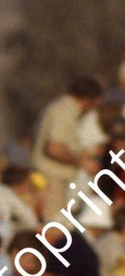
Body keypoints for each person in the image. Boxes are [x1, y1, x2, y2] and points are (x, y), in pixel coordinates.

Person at [31, 76, 103, 221]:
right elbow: (54, 148)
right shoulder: (65, 110)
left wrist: (87, 154)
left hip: (55, 179)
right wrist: (82, 163)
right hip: (51, 179)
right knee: (55, 226)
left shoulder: (63, 109)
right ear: (89, 99)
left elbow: (63, 145)